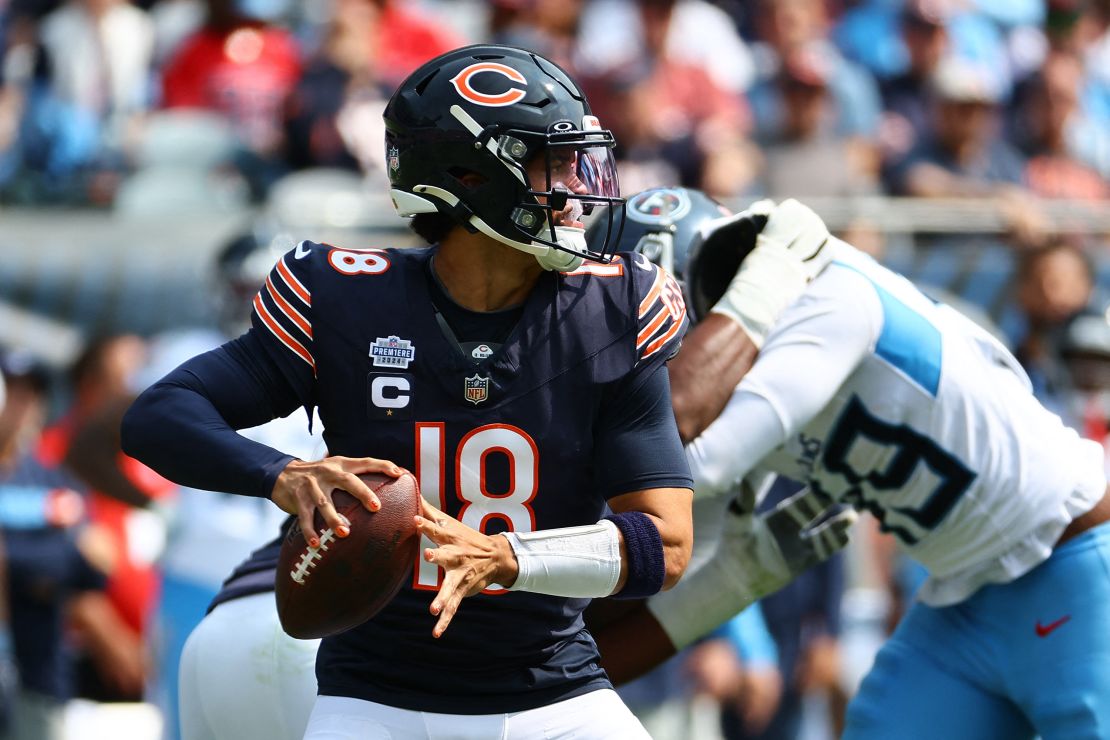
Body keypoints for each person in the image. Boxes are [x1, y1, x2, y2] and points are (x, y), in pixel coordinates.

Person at [124, 44, 701, 739]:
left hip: (554, 694)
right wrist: (281, 475)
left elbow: (666, 545)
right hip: (374, 699)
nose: (578, 183)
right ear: (470, 178)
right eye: (552, 160)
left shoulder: (614, 308)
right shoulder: (345, 298)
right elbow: (159, 416)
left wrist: (509, 557)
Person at [586, 187, 1110, 739]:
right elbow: (653, 575)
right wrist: (728, 587)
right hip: (965, 595)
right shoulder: (740, 376)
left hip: (1070, 562)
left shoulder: (831, 295)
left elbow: (686, 452)